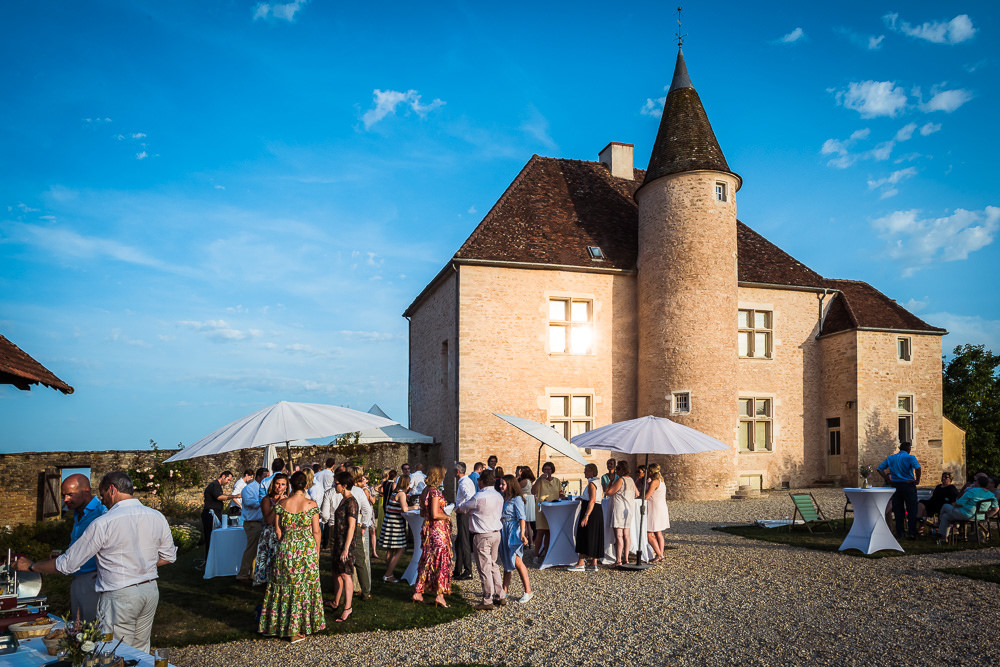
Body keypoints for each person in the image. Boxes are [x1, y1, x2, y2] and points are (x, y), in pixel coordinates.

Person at [15, 471, 176, 653]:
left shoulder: (104, 522)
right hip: (150, 591)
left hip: (120, 594)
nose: (102, 499)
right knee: (140, 651)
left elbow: (67, 564)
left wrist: (31, 565)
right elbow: (168, 556)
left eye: (102, 494)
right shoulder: (156, 516)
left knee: (115, 651)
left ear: (112, 490)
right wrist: (139, 566)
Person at [258, 471, 324, 642]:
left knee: (283, 587)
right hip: (306, 550)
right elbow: (316, 531)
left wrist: (287, 542)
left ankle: (276, 625)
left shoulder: (282, 504)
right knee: (302, 588)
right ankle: (295, 630)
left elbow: (278, 530)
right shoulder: (312, 505)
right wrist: (315, 552)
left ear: (291, 486)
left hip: (286, 547)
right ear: (306, 485)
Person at [59, 473, 107, 621]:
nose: (65, 500)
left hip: (94, 580)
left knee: (94, 632)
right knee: (78, 630)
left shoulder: (102, 512)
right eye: (64, 495)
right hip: (77, 578)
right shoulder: (77, 513)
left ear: (86, 491)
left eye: (70, 495)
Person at [457, 469, 505, 610]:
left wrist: (458, 508)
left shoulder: (478, 497)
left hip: (482, 534)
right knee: (493, 564)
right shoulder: (498, 496)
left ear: (482, 481)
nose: (477, 482)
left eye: (478, 480)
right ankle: (500, 595)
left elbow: (464, 508)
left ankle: (487, 599)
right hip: (496, 533)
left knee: (484, 568)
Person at [412, 465, 454, 607]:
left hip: (428, 529)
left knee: (427, 559)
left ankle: (418, 592)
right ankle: (440, 596)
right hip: (437, 530)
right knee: (441, 560)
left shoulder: (425, 491)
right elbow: (436, 514)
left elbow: (423, 513)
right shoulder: (435, 492)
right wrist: (446, 516)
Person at [327, 471, 358, 623]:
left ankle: (348, 607)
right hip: (339, 541)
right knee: (336, 572)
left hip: (346, 544)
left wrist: (346, 548)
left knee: (346, 574)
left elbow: (352, 527)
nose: (334, 486)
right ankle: (335, 602)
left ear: (344, 485)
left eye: (336, 483)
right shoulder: (343, 499)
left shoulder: (351, 502)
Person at [877, 441, 922, 539]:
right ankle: (912, 532)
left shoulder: (891, 458)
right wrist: (917, 480)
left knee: (898, 510)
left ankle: (900, 532)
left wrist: (887, 479)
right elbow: (918, 468)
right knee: (911, 509)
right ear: (908, 449)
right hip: (908, 485)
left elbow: (879, 469)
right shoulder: (910, 457)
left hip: (895, 485)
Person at [498, 474, 532, 603]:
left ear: (510, 485)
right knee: (507, 562)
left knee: (517, 561)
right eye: (501, 483)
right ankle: (504, 591)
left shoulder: (517, 499)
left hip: (513, 531)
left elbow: (522, 517)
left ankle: (528, 591)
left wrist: (523, 534)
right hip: (504, 530)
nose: (500, 486)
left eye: (503, 484)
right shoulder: (504, 498)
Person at [934, 476, 999, 541]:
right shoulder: (991, 495)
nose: (974, 482)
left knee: (945, 506)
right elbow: (996, 509)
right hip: (980, 516)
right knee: (946, 516)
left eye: (975, 481)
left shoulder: (971, 491)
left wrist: (953, 504)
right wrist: (986, 516)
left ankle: (939, 523)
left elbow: (958, 504)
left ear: (978, 483)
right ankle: (943, 537)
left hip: (966, 514)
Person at [254, 472, 288, 586]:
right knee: (269, 560)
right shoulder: (266, 500)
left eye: (283, 484)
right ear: (273, 485)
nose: (280, 487)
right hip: (269, 533)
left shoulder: (289, 499)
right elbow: (268, 520)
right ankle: (267, 583)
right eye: (277, 484)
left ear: (286, 486)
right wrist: (278, 504)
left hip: (283, 532)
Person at [569, 463, 603, 572]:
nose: (584, 472)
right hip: (597, 510)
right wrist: (582, 498)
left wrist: (586, 515)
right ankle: (594, 563)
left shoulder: (592, 484)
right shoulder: (598, 482)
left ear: (592, 472)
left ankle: (580, 563)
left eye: (586, 470)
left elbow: (592, 500)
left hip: (591, 511)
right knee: (595, 535)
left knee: (583, 534)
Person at [237, 468, 268, 583]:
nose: (267, 478)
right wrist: (265, 502)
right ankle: (242, 574)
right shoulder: (249, 489)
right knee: (251, 549)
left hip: (261, 522)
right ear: (258, 477)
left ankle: (253, 574)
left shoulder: (264, 488)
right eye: (265, 476)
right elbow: (249, 503)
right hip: (252, 523)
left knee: (257, 550)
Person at [378, 475, 411, 582]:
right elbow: (405, 509)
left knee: (390, 549)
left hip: (389, 522)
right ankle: (388, 575)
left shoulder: (395, 492)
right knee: (401, 549)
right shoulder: (401, 494)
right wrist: (414, 507)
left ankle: (389, 572)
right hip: (395, 524)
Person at [349, 466, 374, 600]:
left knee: (355, 557)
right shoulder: (358, 491)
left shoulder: (356, 490)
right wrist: (364, 524)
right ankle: (363, 588)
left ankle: (356, 586)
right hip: (358, 524)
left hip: (353, 525)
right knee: (362, 558)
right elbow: (367, 510)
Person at [201, 470, 236, 558]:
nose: (228, 482)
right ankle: (209, 561)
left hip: (214, 514)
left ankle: (212, 559)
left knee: (213, 538)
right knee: (211, 538)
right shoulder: (215, 485)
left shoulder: (217, 485)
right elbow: (219, 497)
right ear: (223, 476)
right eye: (228, 479)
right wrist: (234, 496)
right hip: (210, 515)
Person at [608, 460, 637, 566]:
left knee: (619, 535)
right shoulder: (631, 480)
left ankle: (618, 560)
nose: (616, 470)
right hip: (628, 508)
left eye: (618, 468)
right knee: (626, 534)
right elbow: (637, 493)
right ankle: (626, 558)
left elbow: (608, 492)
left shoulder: (620, 480)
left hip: (619, 509)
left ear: (623, 470)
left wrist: (611, 481)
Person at [531, 461, 561, 561]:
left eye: (549, 469)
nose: (547, 471)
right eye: (545, 469)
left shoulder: (556, 481)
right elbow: (533, 492)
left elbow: (560, 493)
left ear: (552, 470)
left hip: (553, 509)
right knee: (540, 531)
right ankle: (535, 554)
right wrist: (539, 479)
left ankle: (546, 554)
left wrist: (563, 496)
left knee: (549, 531)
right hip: (541, 508)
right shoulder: (540, 481)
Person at [452, 462, 476, 581]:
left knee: (464, 541)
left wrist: (462, 508)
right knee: (459, 542)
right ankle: (457, 569)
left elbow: (470, 497)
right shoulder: (465, 481)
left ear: (457, 472)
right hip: (463, 513)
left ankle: (468, 570)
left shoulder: (464, 483)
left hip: (464, 515)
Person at [644, 463, 670, 563]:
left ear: (651, 472)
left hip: (654, 509)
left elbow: (647, 496)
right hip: (661, 508)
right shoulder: (661, 481)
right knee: (659, 532)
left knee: (649, 533)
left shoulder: (654, 482)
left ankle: (659, 555)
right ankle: (660, 554)